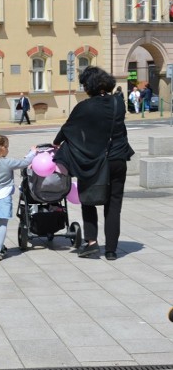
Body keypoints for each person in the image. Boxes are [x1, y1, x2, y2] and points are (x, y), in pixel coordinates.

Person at [53, 66, 134, 260]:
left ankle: (91, 243)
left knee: (88, 200)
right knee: (114, 205)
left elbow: (68, 129)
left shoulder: (84, 107)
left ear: (89, 85)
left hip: (92, 161)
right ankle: (112, 251)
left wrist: (56, 143)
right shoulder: (118, 103)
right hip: (117, 159)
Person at [0, 135, 36, 261]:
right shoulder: (8, 162)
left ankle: (0, 245)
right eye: (7, 147)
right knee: (3, 224)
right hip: (4, 197)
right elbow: (25, 163)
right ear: (2, 148)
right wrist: (33, 152)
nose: (8, 149)